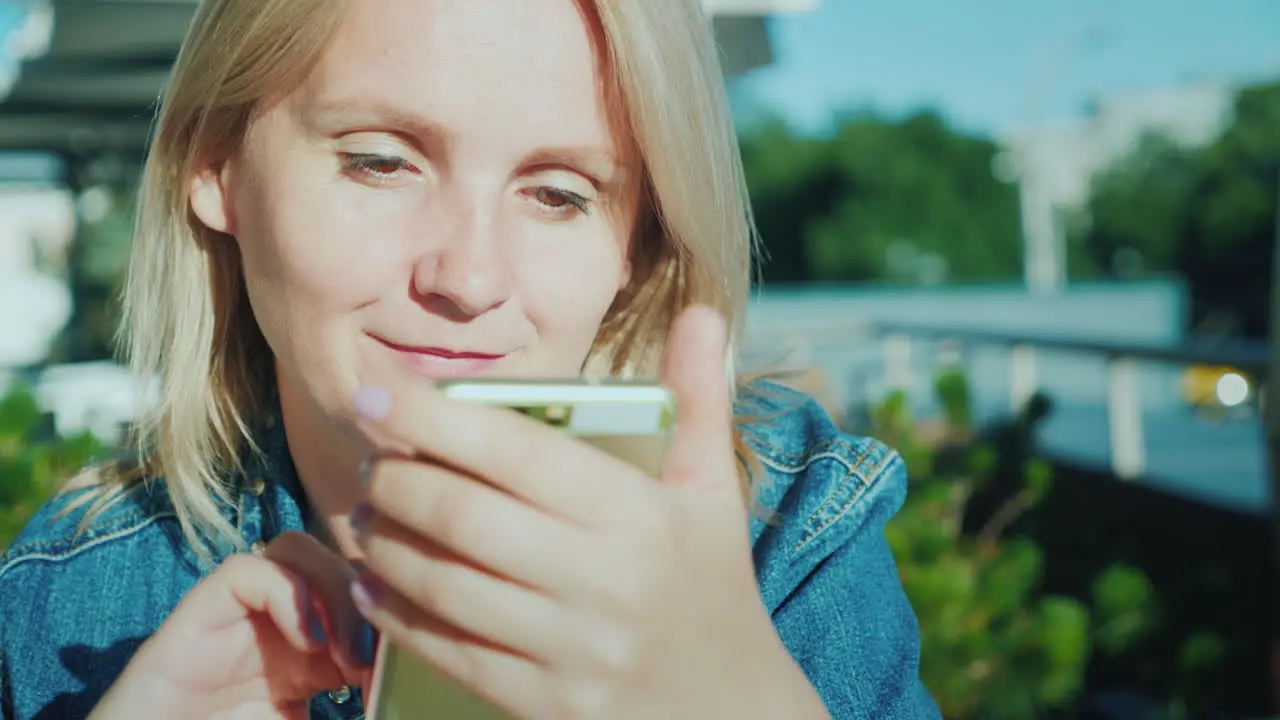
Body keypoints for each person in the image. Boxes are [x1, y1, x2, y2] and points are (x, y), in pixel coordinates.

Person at [0, 0, 941, 718]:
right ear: (216, 168)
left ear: (637, 245)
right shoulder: (70, 596)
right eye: (381, 161)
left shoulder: (788, 540)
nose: (471, 277)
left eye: (560, 194)